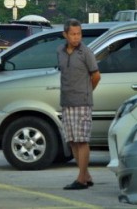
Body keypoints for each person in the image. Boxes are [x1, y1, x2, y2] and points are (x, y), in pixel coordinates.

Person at [57, 18, 100, 190]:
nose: (76, 38)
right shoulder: (59, 51)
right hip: (67, 102)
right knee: (72, 140)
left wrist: (87, 92)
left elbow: (96, 76)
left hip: (82, 102)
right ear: (65, 35)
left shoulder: (86, 52)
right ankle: (86, 175)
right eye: (73, 34)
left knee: (82, 140)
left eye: (79, 34)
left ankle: (81, 179)